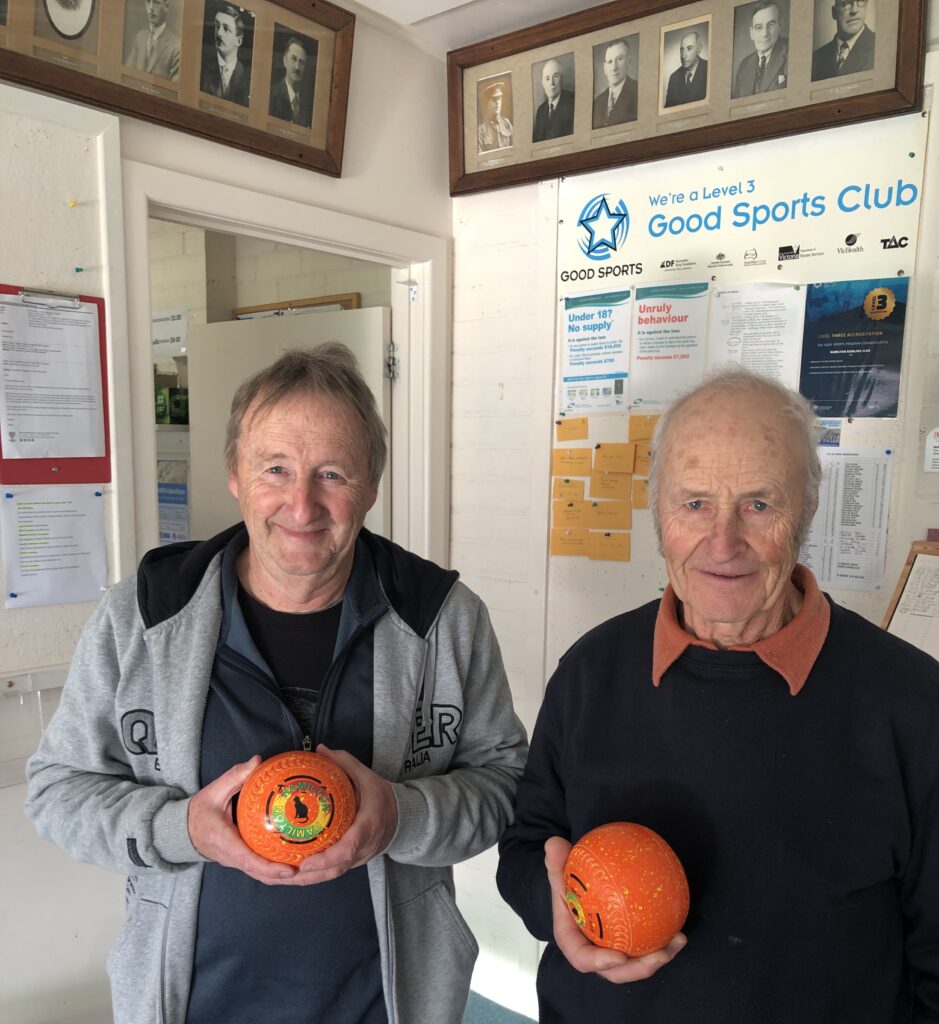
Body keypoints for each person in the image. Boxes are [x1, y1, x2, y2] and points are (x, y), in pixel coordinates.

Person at [26, 344, 528, 1024]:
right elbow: (58, 790)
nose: (302, 503)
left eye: (332, 473)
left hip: (384, 1004)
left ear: (371, 486)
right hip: (193, 1004)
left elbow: (504, 785)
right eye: (275, 469)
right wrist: (182, 830)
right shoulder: (141, 616)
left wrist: (398, 816)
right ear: (234, 473)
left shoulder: (440, 618)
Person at [497, 367, 939, 1022]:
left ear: (807, 510)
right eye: (694, 502)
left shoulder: (910, 701)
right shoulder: (592, 672)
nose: (722, 541)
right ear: (658, 512)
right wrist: (555, 911)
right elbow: (528, 844)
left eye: (758, 504)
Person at [732, 1, 788, 97]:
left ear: (780, 27)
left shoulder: (793, 52)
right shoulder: (744, 65)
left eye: (770, 25)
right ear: (751, 33)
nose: (765, 33)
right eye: (759, 27)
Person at [200, 2, 250, 105]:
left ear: (239, 41)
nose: (219, 33)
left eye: (226, 29)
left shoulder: (248, 78)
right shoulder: (202, 69)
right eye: (217, 26)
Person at [812, 0, 875, 78]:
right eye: (846, 3)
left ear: (866, 6)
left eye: (861, 1)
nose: (854, 10)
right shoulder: (815, 58)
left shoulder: (880, 48)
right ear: (834, 12)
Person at [124, 0, 181, 80]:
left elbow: (173, 88)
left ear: (166, 6)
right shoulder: (140, 37)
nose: (151, 8)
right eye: (148, 2)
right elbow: (127, 75)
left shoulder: (176, 46)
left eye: (156, 2)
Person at [592, 39, 638, 129]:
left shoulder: (639, 91)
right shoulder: (597, 102)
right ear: (605, 68)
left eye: (619, 59)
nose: (614, 68)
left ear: (628, 61)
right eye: (610, 62)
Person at [269, 35, 313, 127]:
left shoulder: (310, 103)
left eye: (301, 62)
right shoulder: (271, 95)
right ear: (285, 61)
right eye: (293, 59)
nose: (297, 67)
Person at [532, 58, 575, 142]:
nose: (551, 83)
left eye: (555, 76)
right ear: (543, 83)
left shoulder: (573, 101)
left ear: (561, 79)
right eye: (547, 79)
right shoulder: (540, 110)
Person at [663, 30, 708, 107]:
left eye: (689, 48)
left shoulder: (709, 69)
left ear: (699, 49)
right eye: (682, 50)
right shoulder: (674, 77)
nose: (683, 56)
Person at [477, 79, 513, 153]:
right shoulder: (481, 130)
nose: (497, 103)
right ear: (487, 103)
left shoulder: (507, 124)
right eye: (494, 99)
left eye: (499, 98)